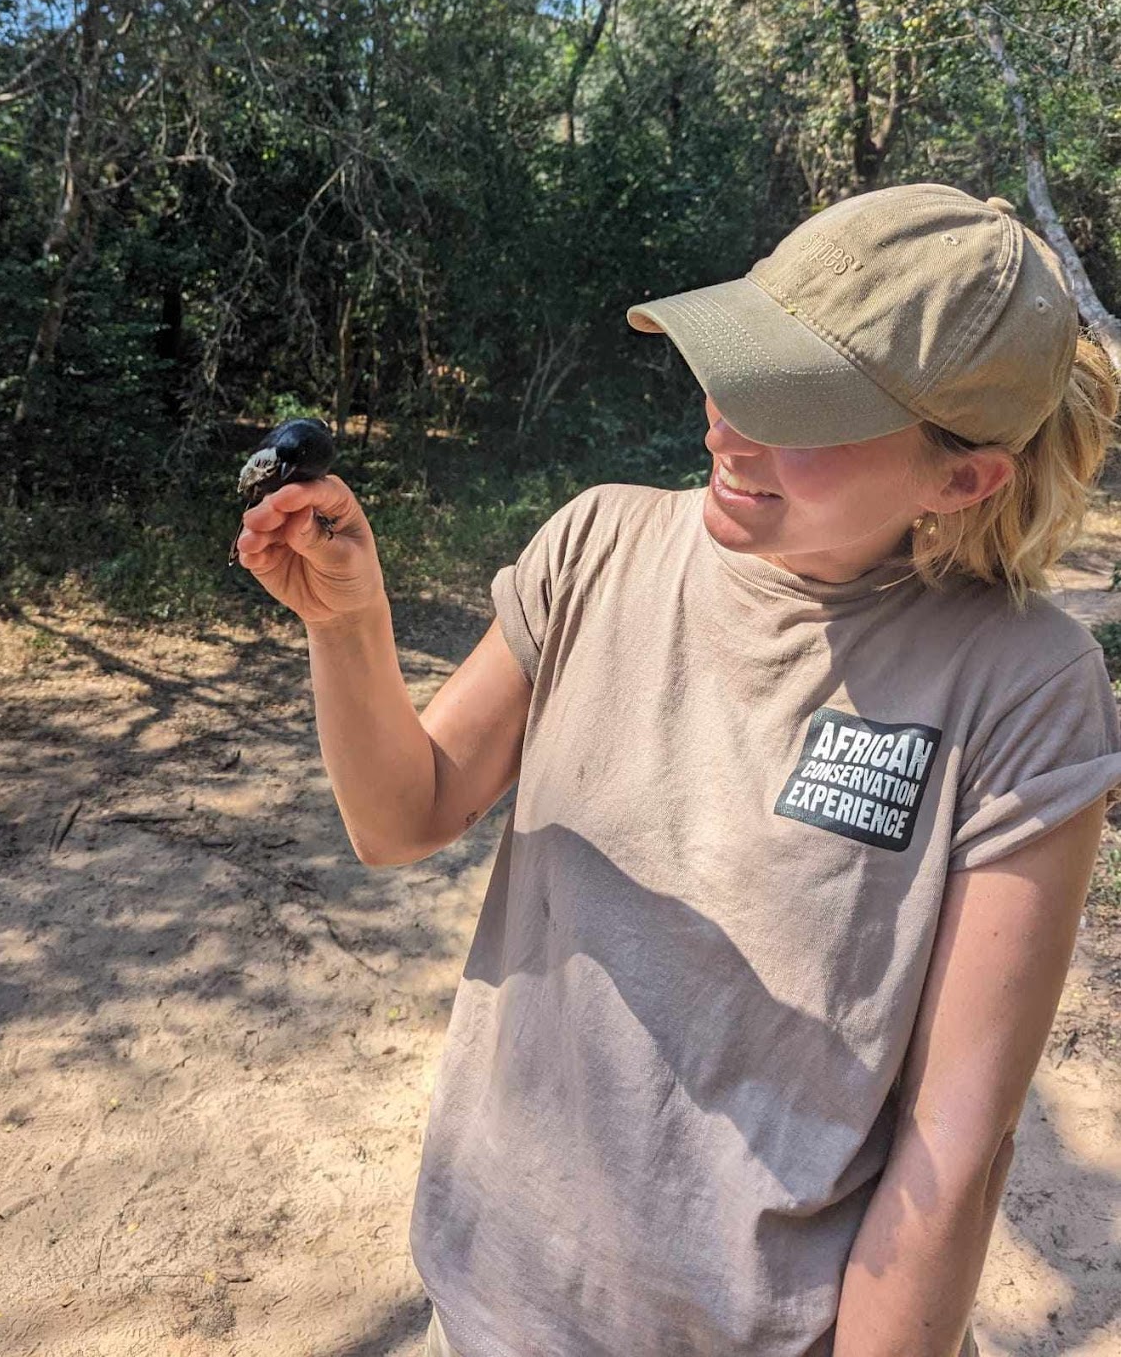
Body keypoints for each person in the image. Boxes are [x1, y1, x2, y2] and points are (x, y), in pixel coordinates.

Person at [233, 182, 1121, 1357]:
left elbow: (950, 1147)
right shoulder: (598, 543)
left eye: (800, 412)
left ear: (959, 479)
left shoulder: (1020, 684)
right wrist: (348, 626)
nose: (727, 428)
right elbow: (405, 816)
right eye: (737, 371)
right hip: (491, 1304)